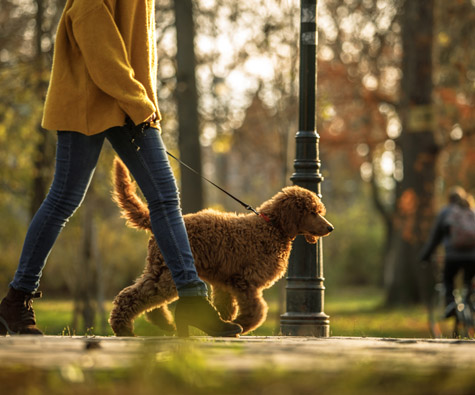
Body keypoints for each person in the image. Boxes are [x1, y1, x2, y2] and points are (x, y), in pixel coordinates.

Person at [0, 0, 242, 337]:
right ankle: (17, 297)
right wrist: (138, 100)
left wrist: (138, 97)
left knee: (164, 198)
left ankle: (191, 299)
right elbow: (94, 32)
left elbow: (135, 44)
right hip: (90, 95)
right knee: (64, 200)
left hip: (126, 99)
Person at [420, 186, 475, 317]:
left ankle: (451, 306)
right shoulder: (471, 211)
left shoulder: (445, 212)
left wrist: (424, 256)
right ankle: (470, 306)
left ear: (449, 199)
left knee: (448, 280)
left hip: (453, 257)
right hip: (473, 257)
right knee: (469, 284)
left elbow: (434, 239)